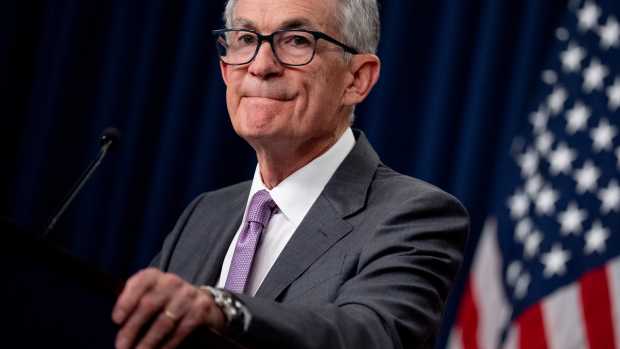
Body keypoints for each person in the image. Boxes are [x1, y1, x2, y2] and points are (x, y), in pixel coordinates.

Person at [112, 0, 469, 348]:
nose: (261, 65)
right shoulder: (204, 214)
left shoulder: (415, 215)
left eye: (297, 41)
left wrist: (226, 309)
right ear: (225, 69)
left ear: (357, 79)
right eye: (246, 40)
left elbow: (369, 334)